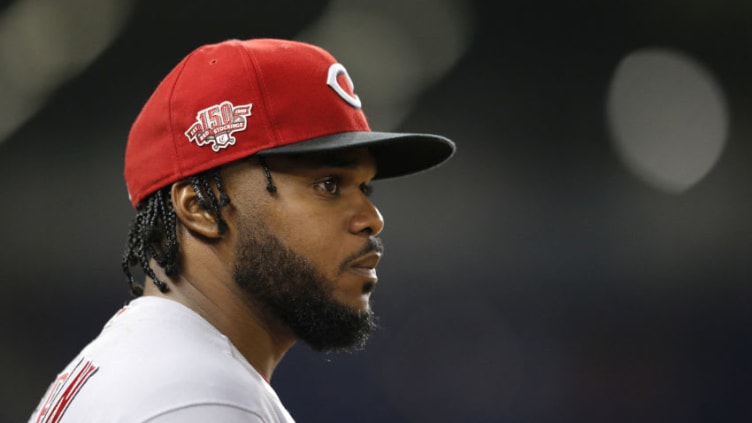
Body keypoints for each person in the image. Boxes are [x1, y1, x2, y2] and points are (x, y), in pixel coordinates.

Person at [28, 38, 455, 422]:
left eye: (365, 187)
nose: (371, 218)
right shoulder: (196, 398)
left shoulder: (154, 368)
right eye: (328, 185)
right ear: (200, 209)